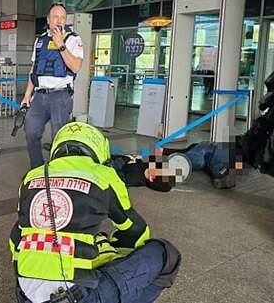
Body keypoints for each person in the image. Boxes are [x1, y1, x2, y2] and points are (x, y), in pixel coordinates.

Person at [10, 122, 181, 303]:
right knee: (166, 254)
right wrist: (113, 253)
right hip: (76, 296)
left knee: (85, 239)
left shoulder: (31, 177)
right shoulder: (106, 174)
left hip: (25, 295)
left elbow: (15, 240)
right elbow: (135, 231)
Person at [22, 3, 84, 169]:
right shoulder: (40, 40)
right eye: (56, 17)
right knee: (31, 132)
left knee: (59, 138)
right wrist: (27, 94)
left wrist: (60, 44)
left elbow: (76, 66)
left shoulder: (73, 39)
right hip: (39, 95)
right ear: (48, 20)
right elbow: (34, 69)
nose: (59, 20)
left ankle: (58, 172)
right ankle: (36, 169)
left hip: (60, 96)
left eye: (63, 17)